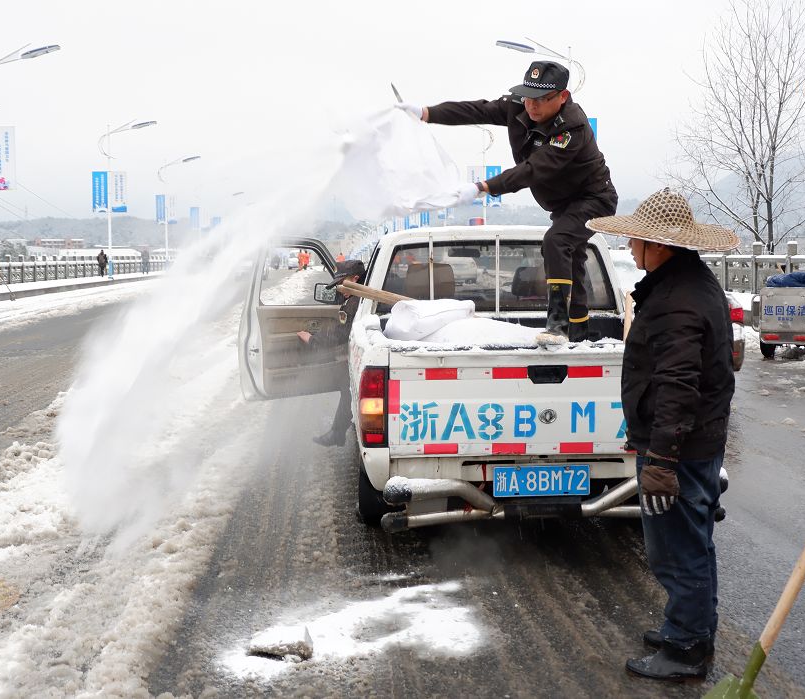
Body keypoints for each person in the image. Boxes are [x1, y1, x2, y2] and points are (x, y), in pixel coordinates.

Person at [585, 189, 738, 681]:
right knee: (692, 541)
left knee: (677, 548)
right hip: (695, 441)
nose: (630, 247)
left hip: (680, 447)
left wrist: (662, 462)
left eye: (636, 240)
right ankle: (693, 627)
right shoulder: (688, 283)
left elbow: (678, 384)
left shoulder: (678, 300)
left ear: (660, 246)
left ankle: (686, 647)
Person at [398, 60, 617, 342]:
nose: (531, 106)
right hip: (561, 204)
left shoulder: (572, 129)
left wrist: (483, 187)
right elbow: (478, 109)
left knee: (557, 241)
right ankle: (579, 331)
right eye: (528, 96)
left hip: (594, 199)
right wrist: (428, 113)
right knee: (570, 260)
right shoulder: (519, 105)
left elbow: (533, 169)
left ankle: (558, 326)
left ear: (562, 97)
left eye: (541, 99)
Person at [298, 259, 366, 447]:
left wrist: (313, 340)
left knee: (349, 389)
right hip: (358, 352)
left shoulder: (355, 301)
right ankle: (337, 432)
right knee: (348, 389)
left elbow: (340, 333)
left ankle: (337, 433)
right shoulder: (355, 298)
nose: (339, 289)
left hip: (362, 355)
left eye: (341, 284)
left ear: (355, 279)